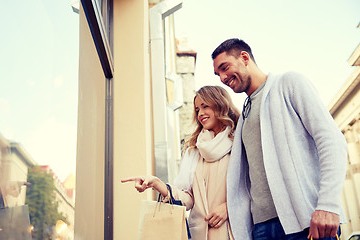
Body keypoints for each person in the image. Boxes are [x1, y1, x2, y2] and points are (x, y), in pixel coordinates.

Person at [211, 38, 347, 240]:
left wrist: (328, 204)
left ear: (244, 58)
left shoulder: (289, 83)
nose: (222, 77)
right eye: (217, 74)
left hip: (306, 222)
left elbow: (331, 140)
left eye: (225, 67)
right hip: (262, 229)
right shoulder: (245, 115)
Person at [122, 86, 240, 240]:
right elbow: (189, 198)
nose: (201, 113)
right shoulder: (194, 150)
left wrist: (228, 207)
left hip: (234, 231)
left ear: (220, 104)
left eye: (205, 106)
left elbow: (252, 188)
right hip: (200, 234)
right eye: (197, 109)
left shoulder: (239, 143)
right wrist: (157, 184)